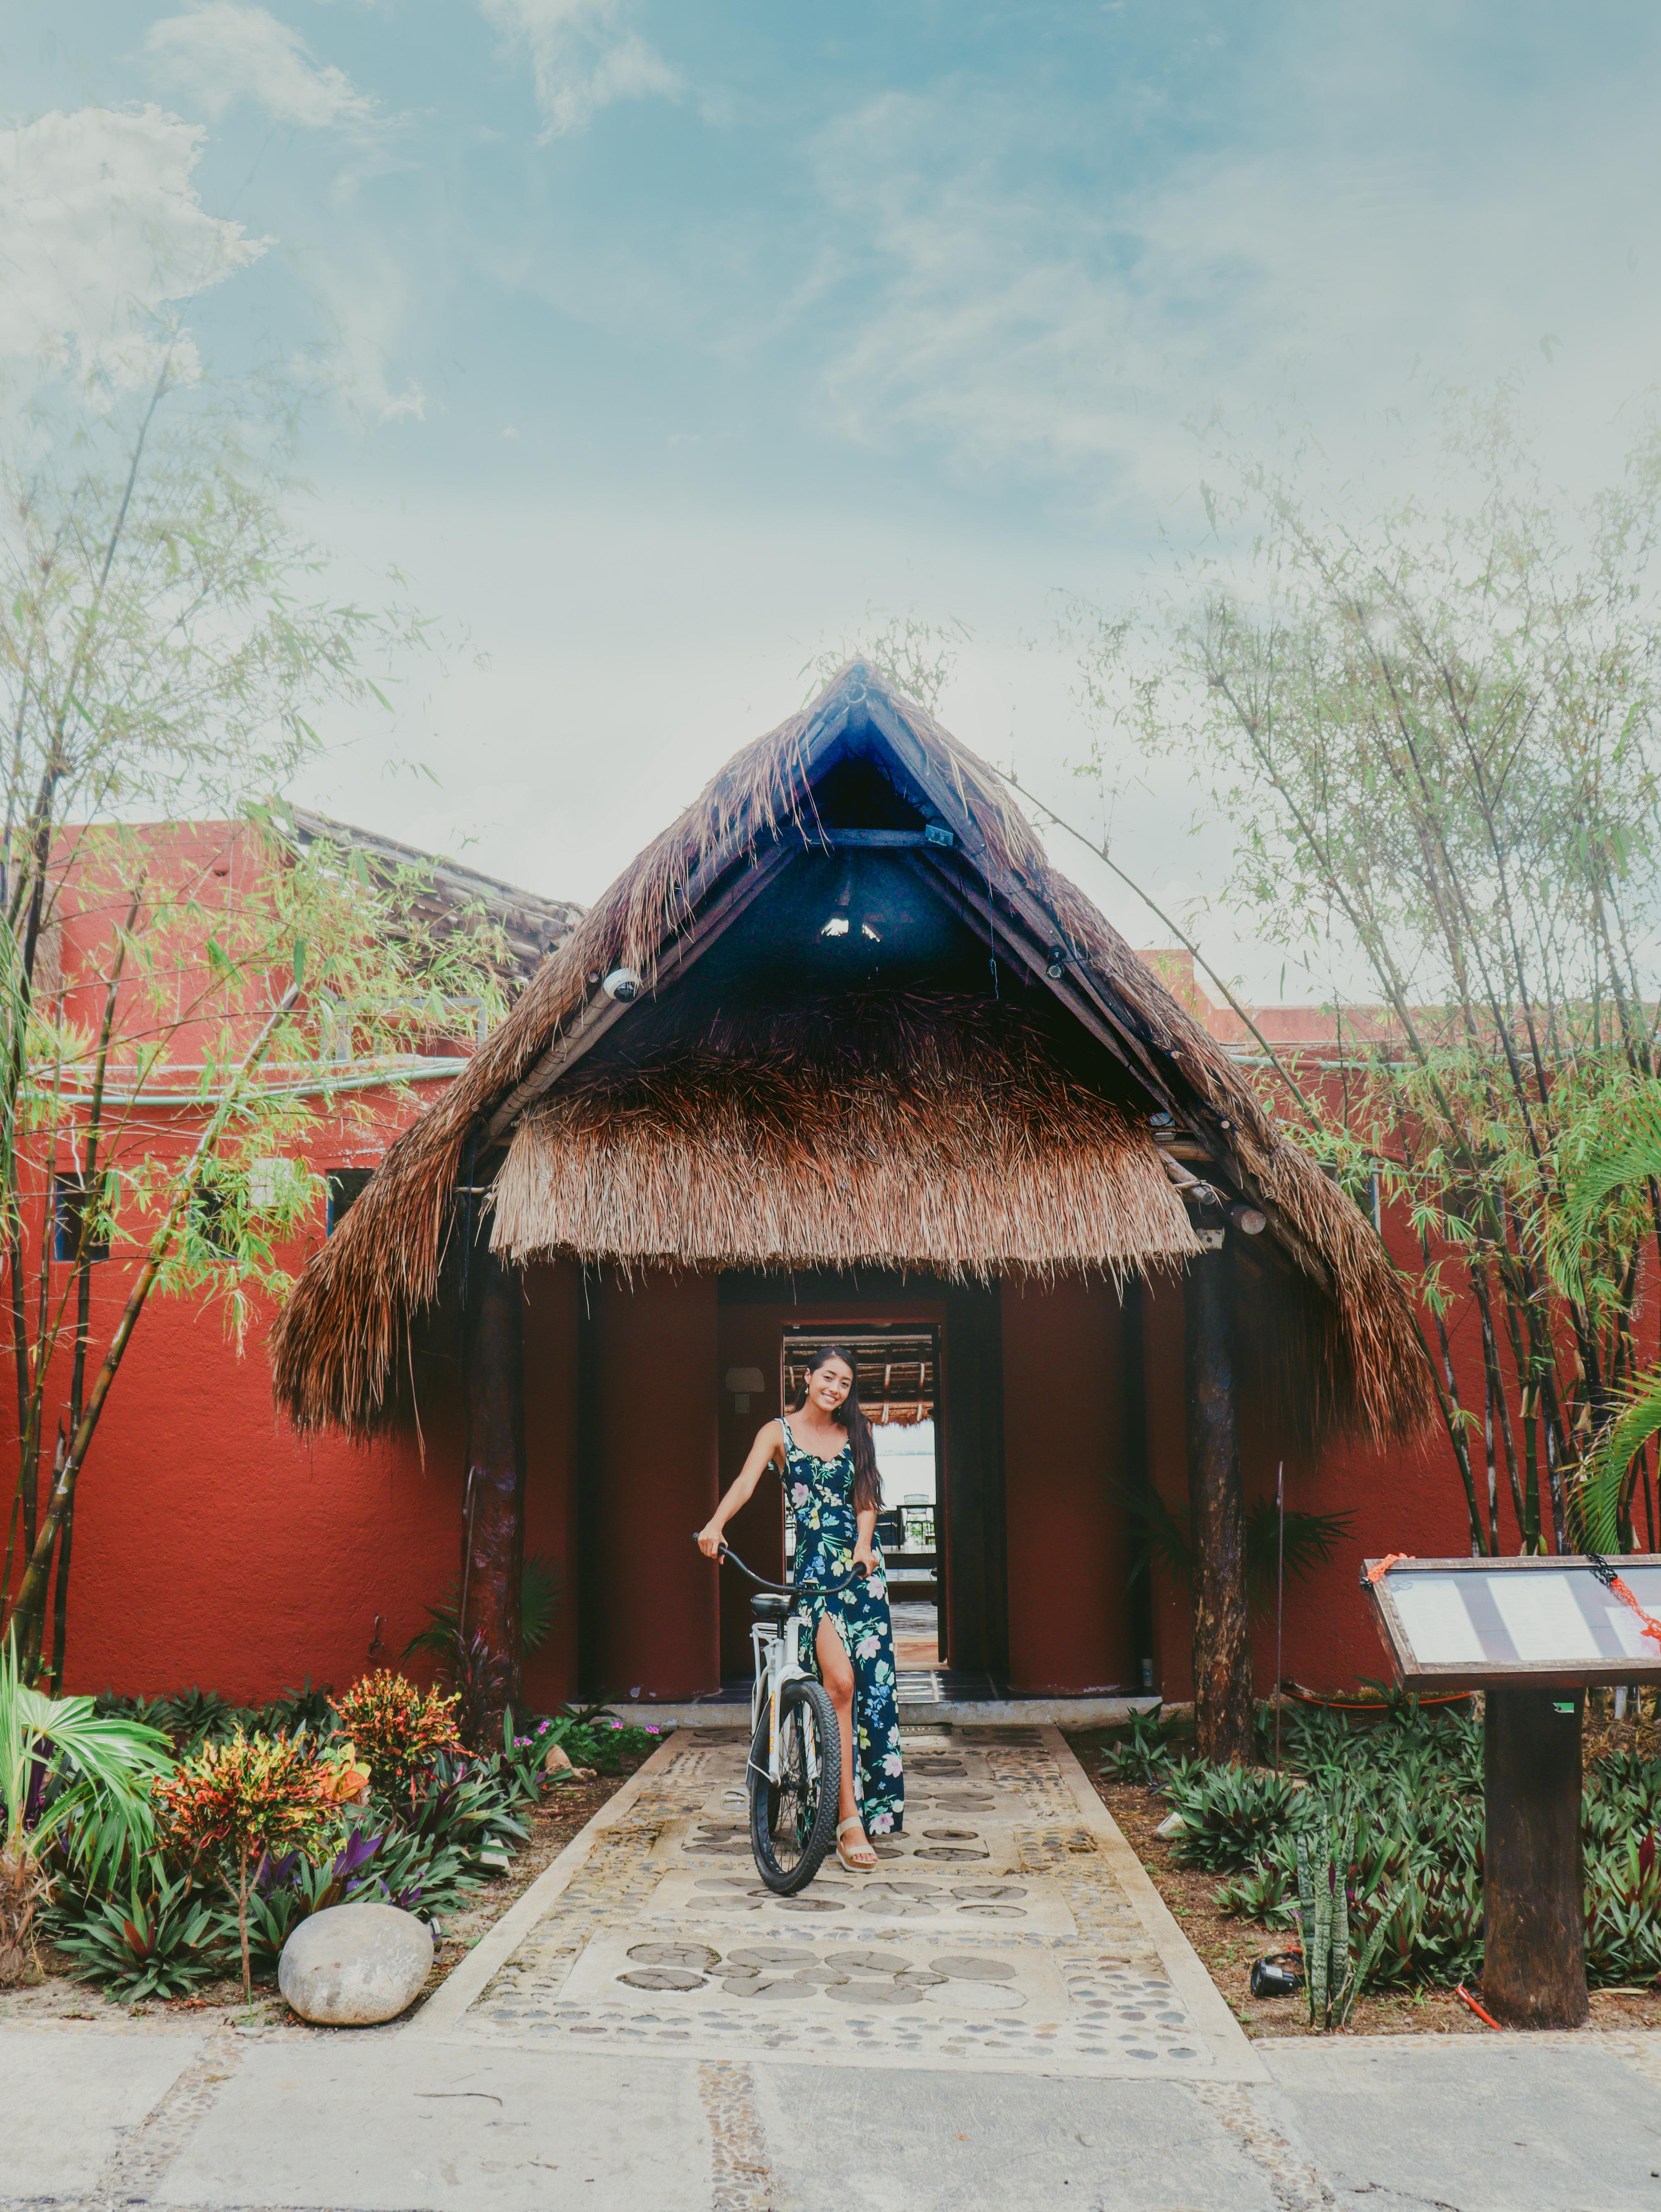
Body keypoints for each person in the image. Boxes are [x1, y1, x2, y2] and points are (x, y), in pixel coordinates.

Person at [696, 1343, 904, 1869]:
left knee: (872, 1692)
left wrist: (863, 1546)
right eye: (828, 1378)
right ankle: (846, 1817)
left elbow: (866, 1498)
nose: (835, 1389)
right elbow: (746, 1483)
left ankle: (860, 1812)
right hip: (815, 1571)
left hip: (862, 1572)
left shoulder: (857, 1433)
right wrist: (716, 1524)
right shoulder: (777, 1433)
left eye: (845, 1383)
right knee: (838, 1684)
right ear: (807, 1378)